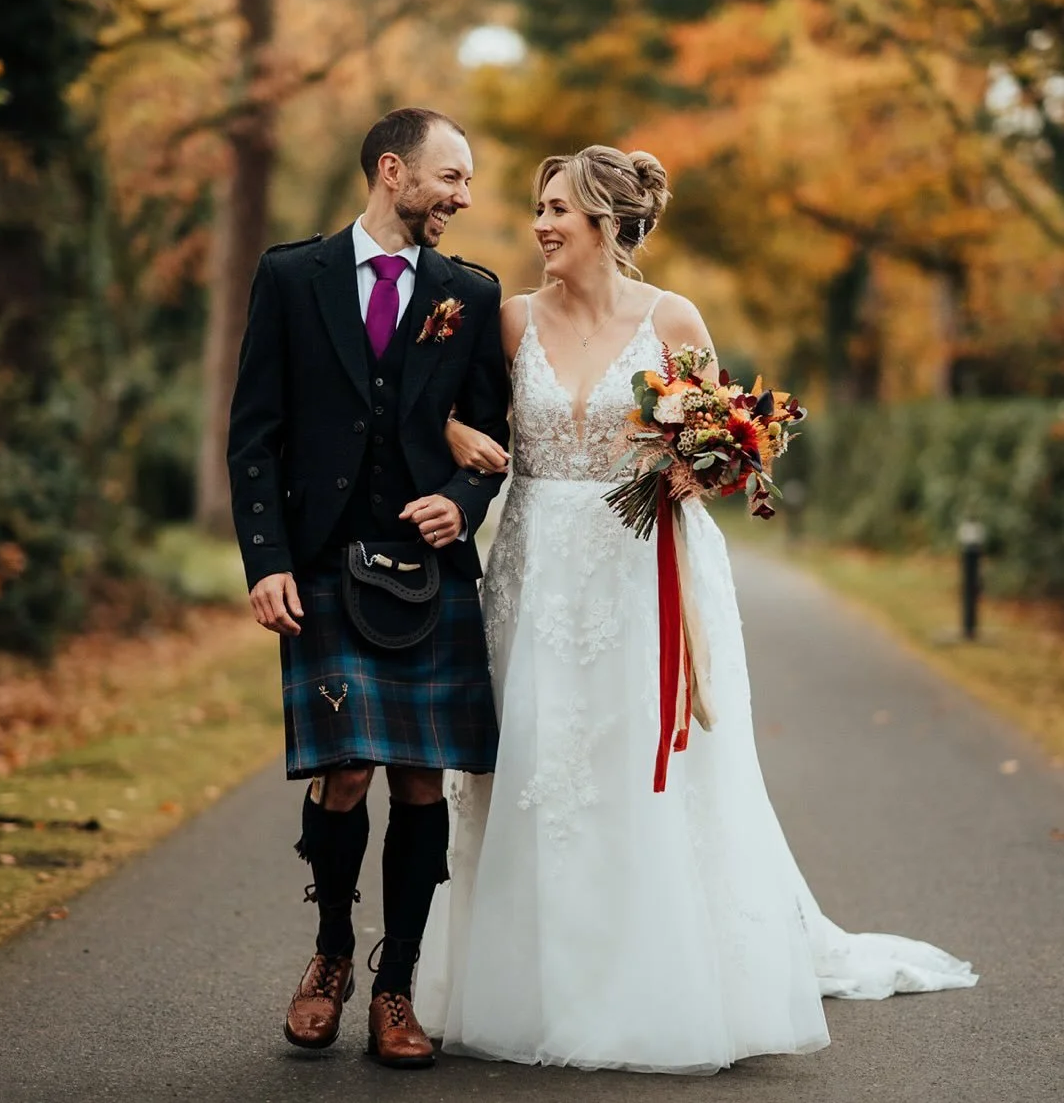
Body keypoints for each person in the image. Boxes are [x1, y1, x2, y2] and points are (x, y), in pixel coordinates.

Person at [413, 144, 977, 1074]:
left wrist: (705, 463)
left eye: (557, 209)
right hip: (535, 571)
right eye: (539, 208)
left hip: (646, 571)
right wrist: (454, 431)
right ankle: (522, 978)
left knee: (640, 760)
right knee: (536, 764)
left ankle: (654, 978)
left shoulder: (672, 317)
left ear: (605, 223)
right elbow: (431, 408)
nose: (541, 225)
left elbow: (725, 444)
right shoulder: (507, 321)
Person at [227, 107, 510, 1068]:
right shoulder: (290, 276)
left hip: (426, 575)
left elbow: (492, 435)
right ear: (393, 171)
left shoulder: (468, 293)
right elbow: (254, 433)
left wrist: (462, 501)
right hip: (319, 567)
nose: (464, 198)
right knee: (346, 772)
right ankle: (332, 956)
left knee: (422, 776)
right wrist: (264, 560)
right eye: (452, 177)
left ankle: (399, 986)